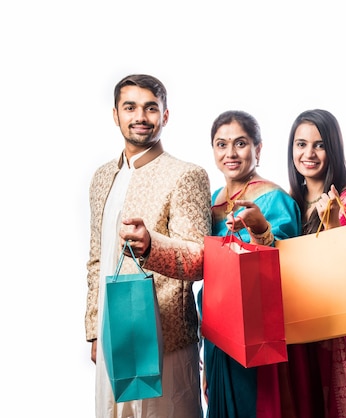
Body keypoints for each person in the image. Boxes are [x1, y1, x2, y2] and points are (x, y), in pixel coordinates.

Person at [84, 74, 211, 418]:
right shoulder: (101, 178)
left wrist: (152, 245)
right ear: (116, 115)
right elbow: (96, 258)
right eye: (130, 107)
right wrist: (95, 331)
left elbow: (201, 259)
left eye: (150, 108)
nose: (140, 116)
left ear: (165, 116)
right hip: (114, 337)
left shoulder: (186, 175)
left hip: (164, 340)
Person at [198, 110, 301, 418]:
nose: (230, 153)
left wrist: (259, 230)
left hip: (255, 332)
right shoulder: (213, 199)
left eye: (240, 143)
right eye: (221, 144)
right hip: (217, 332)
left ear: (258, 148)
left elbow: (284, 265)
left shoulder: (273, 198)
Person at [280, 108, 346, 418]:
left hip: (336, 335)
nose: (308, 153)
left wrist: (333, 225)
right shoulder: (287, 204)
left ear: (333, 148)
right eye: (301, 144)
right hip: (294, 332)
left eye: (319, 144)